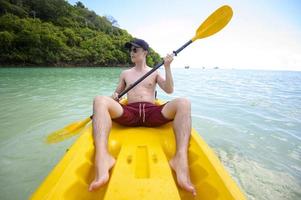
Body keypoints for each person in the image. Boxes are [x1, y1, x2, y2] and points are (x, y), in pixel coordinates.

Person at [89, 38, 196, 196]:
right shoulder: (125, 73)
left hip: (151, 112)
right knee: (99, 100)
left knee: (184, 103)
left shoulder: (155, 72)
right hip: (130, 113)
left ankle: (180, 158)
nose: (131, 53)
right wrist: (114, 97)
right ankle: (103, 155)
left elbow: (169, 89)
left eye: (135, 50)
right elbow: (116, 95)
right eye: (130, 50)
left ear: (145, 52)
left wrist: (167, 67)